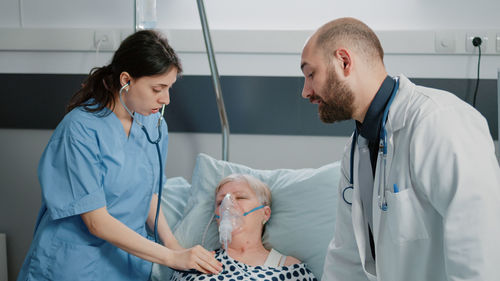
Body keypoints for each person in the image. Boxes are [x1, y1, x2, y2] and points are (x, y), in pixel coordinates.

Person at [300, 17, 500, 281]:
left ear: (344, 62)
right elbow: (346, 255)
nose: (306, 91)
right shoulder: (356, 149)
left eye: (310, 74)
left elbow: (480, 250)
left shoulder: (439, 121)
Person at [17, 30, 222, 281]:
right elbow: (96, 221)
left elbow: (148, 194)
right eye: (158, 88)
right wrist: (171, 257)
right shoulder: (80, 130)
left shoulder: (154, 124)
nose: (166, 98)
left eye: (169, 88)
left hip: (128, 263)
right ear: (126, 80)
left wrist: (173, 244)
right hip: (75, 262)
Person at [171, 174, 317, 281]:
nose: (227, 205)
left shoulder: (289, 269)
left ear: (265, 214)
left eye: (240, 197)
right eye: (220, 201)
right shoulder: (197, 263)